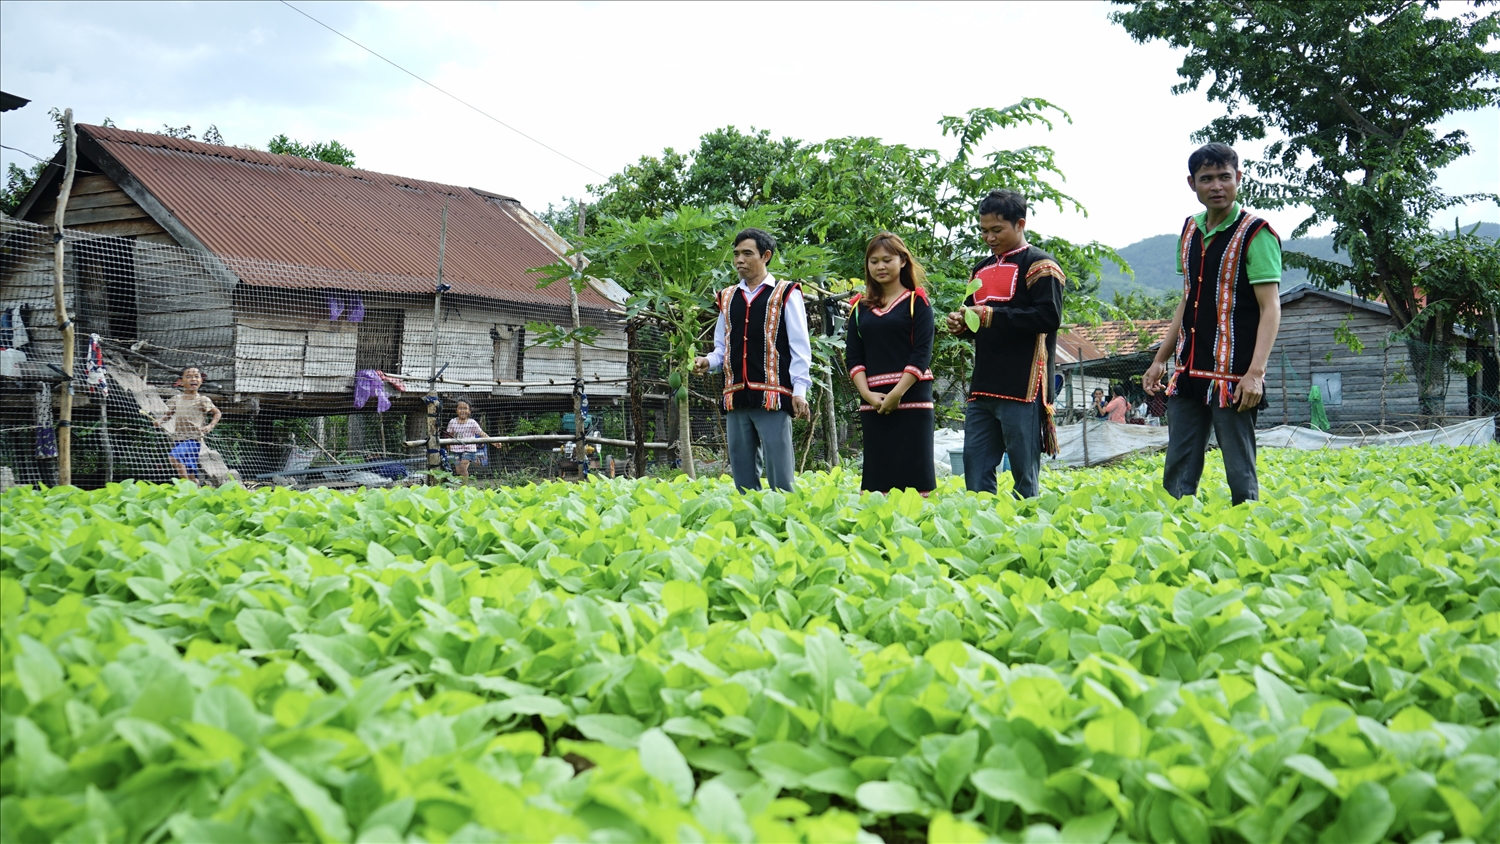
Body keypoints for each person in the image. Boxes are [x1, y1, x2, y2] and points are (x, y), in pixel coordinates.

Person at [1143, 143, 1282, 505]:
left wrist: (1256, 372)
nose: (1217, 186)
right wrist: (1161, 358)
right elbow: (1187, 299)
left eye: (1225, 177)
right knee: (1179, 459)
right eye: (1207, 179)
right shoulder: (1189, 231)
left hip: (1234, 372)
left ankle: (1246, 522)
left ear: (1239, 179)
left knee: (1239, 463)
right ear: (1192, 184)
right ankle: (1175, 522)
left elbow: (1271, 308)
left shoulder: (1257, 233)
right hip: (1189, 367)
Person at [945, 190, 1065, 498]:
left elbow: (1048, 317)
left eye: (996, 230)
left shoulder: (1041, 265)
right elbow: (980, 323)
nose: (989, 237)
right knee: (975, 464)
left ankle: (1030, 527)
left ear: (1020, 224)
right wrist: (963, 326)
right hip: (982, 386)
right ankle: (983, 526)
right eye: (983, 230)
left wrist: (989, 315)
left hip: (1022, 386)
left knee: (1025, 471)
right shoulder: (981, 270)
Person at [693, 228, 812, 491]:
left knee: (780, 475)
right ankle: (750, 524)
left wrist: (800, 391)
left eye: (747, 253)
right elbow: (721, 348)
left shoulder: (786, 293)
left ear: (766, 256)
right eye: (736, 254)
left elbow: (800, 347)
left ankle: (784, 523)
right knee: (742, 475)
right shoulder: (726, 297)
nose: (739, 260)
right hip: (736, 396)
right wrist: (708, 362)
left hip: (772, 395)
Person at [846, 232, 936, 494]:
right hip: (873, 401)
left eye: (887, 259)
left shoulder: (916, 302)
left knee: (915, 473)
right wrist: (866, 394)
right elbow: (853, 357)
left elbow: (921, 353)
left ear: (903, 261)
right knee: (878, 474)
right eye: (873, 261)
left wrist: (897, 393)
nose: (880, 266)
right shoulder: (859, 309)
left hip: (913, 398)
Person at [156, 365, 220, 481]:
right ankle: (196, 490)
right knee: (191, 474)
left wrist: (210, 425)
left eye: (196, 376)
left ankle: (185, 486)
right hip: (178, 439)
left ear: (201, 380)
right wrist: (160, 421)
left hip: (193, 439)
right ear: (180, 382)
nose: (193, 379)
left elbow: (217, 413)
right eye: (189, 377)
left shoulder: (202, 400)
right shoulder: (176, 399)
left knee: (174, 457)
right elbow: (169, 414)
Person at [445, 400, 490, 479]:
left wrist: (494, 442)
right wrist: (448, 446)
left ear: (469, 411)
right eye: (460, 408)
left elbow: (481, 433)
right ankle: (475, 459)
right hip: (455, 450)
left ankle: (464, 488)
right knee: (458, 471)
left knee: (463, 469)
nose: (463, 410)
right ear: (456, 410)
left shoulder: (472, 423)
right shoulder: (452, 422)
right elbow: (450, 435)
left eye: (465, 408)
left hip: (469, 449)